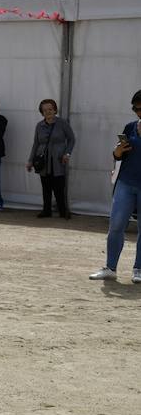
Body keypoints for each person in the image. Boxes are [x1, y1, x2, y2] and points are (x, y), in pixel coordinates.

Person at [89, 90, 141, 284]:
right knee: (116, 225)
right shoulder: (130, 127)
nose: (138, 112)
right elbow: (118, 156)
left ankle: (139, 269)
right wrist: (118, 150)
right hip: (126, 183)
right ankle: (110, 268)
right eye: (135, 109)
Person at [26, 99, 76, 219]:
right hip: (43, 161)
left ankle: (63, 211)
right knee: (46, 187)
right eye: (45, 110)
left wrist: (67, 153)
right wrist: (30, 161)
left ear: (55, 110)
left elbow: (71, 139)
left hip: (58, 160)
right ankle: (46, 210)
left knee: (59, 187)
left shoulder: (62, 123)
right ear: (42, 112)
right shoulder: (39, 126)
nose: (48, 112)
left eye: (50, 109)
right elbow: (36, 144)